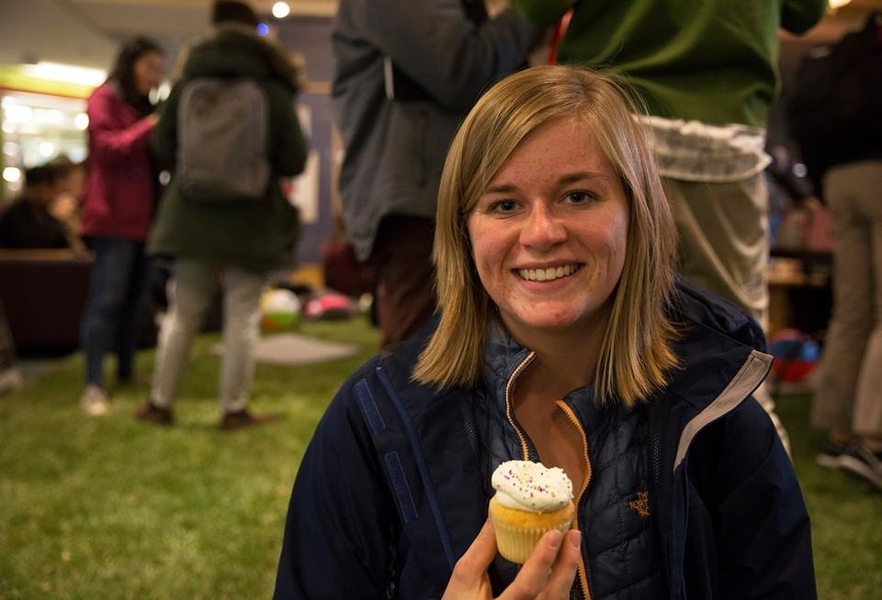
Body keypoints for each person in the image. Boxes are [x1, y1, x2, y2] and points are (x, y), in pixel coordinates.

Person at [274, 65, 815, 599]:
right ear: (464, 232)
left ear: (636, 212)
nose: (541, 233)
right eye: (504, 204)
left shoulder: (715, 413)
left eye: (578, 196)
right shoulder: (375, 418)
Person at [506, 0, 829, 455]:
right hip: (720, 132)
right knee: (735, 348)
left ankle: (563, 494)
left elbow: (536, 9)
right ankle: (755, 510)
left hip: (608, 115)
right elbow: (805, 12)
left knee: (579, 339)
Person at [136, 0, 308, 430]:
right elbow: (294, 158)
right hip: (251, 219)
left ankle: (160, 403)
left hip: (191, 214)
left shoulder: (190, 78)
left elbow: (160, 145)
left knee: (183, 311)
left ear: (215, 27)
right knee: (242, 314)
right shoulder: (273, 83)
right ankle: (233, 409)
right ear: (255, 30)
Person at [331, 0, 540, 348]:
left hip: (432, 191)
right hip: (423, 200)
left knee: (458, 355)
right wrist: (534, 11)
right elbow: (461, 70)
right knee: (425, 364)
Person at [800, 12, 882, 489]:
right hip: (878, 172)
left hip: (839, 179)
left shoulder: (846, 49)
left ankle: (837, 430)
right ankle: (873, 440)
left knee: (851, 310)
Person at [78, 35, 165, 416]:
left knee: (134, 302)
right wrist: (150, 126)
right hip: (111, 219)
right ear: (130, 64)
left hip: (144, 222)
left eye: (159, 70)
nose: (154, 76)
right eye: (149, 67)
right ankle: (93, 383)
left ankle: (126, 371)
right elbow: (108, 148)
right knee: (106, 301)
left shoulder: (145, 105)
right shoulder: (103, 99)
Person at [0, 165, 70, 249]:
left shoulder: (49, 216)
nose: (45, 194)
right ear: (29, 188)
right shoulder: (14, 215)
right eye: (41, 188)